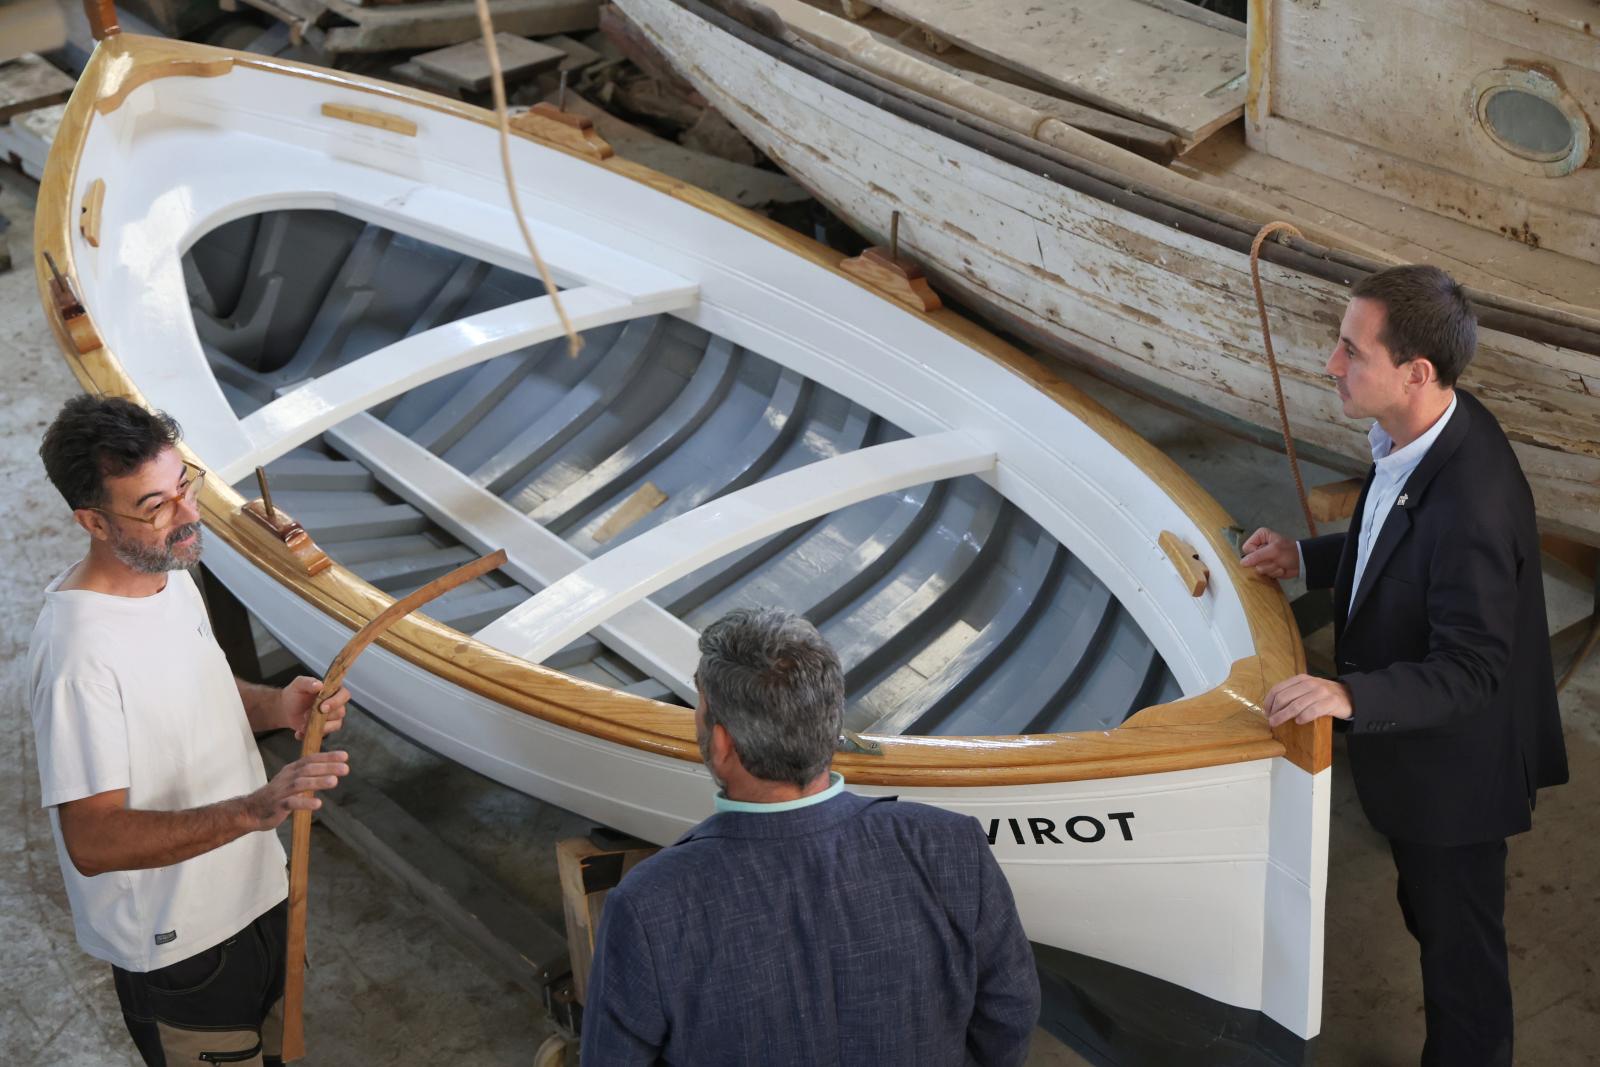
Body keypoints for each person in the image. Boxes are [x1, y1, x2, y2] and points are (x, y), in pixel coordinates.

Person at [1240, 266, 1568, 1066]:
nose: (1330, 363)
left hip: (1456, 779)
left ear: (1416, 372)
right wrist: (1307, 559)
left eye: (1352, 349)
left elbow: (1473, 669)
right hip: (1419, 759)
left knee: (1462, 966)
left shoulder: (1473, 506)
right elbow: (1388, 535)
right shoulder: (1422, 431)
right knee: (1430, 916)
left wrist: (1347, 692)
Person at [27, 395, 354, 1067]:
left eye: (184, 486)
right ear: (91, 520)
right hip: (185, 950)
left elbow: (195, 689)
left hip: (257, 895)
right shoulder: (78, 656)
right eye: (154, 505)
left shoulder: (166, 572)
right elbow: (91, 838)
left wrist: (276, 707)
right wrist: (255, 808)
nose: (187, 514)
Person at [581, 607, 1040, 1066]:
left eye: (699, 709)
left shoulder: (649, 906)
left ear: (722, 745)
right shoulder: (950, 847)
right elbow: (1008, 1014)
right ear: (829, 720)